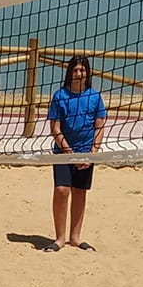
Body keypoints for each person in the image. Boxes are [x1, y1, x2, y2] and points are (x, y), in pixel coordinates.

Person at [46, 55, 105, 252]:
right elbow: (55, 129)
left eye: (82, 70)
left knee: (80, 192)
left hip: (87, 152)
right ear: (70, 73)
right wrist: (69, 151)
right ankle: (60, 238)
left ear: (87, 73)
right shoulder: (59, 96)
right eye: (75, 70)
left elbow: (99, 127)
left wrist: (92, 153)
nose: (79, 73)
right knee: (62, 190)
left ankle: (75, 237)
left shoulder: (95, 97)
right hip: (63, 152)